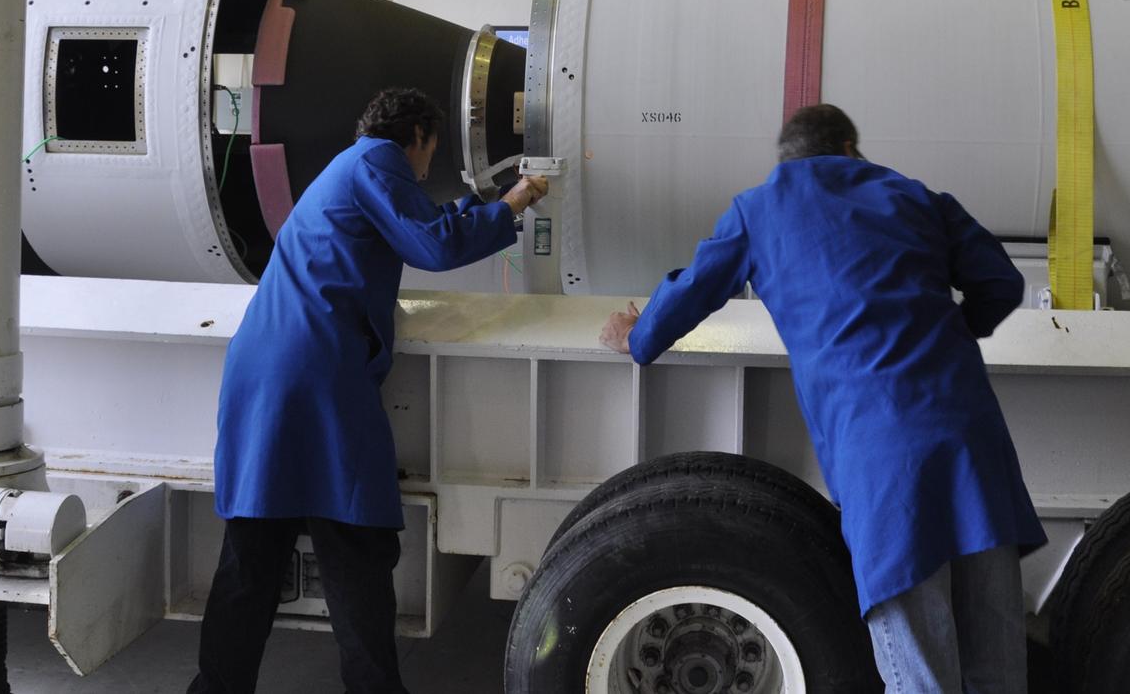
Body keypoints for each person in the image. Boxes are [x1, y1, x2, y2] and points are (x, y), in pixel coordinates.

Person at [600, 104, 1044, 694]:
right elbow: (1002, 282)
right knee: (996, 663)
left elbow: (694, 290)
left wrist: (637, 336)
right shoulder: (915, 196)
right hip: (973, 439)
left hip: (881, 457)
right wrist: (955, 332)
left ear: (786, 160)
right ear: (849, 148)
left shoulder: (759, 209)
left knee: (922, 669)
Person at [189, 88, 548, 694]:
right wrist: (518, 199)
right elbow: (434, 244)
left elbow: (426, 224)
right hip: (314, 374)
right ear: (416, 137)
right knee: (355, 550)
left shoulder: (350, 166)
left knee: (253, 556)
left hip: (266, 370)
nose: (427, 166)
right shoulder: (377, 162)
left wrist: (489, 204)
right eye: (430, 150)